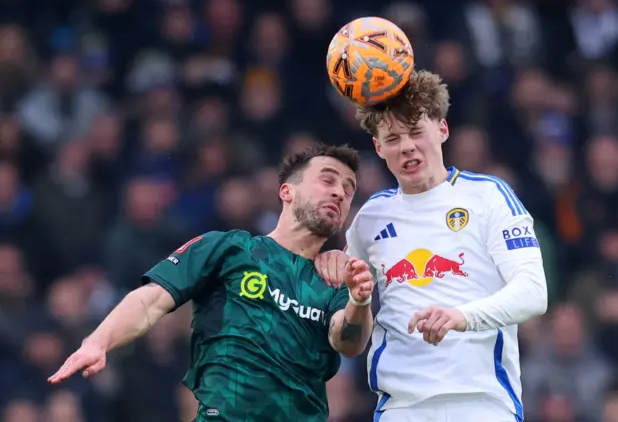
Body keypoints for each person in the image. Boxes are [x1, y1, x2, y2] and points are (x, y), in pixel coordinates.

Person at [48, 143, 375, 422]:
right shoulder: (229, 248)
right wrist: (99, 341)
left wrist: (360, 302)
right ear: (286, 191)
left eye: (348, 189)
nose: (339, 192)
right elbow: (151, 300)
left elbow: (348, 341)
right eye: (328, 180)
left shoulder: (335, 279)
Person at [315, 71, 548, 422]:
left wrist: (461, 316)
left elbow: (533, 292)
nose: (406, 146)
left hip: (481, 402)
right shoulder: (369, 218)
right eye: (392, 138)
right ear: (378, 148)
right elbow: (351, 316)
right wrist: (343, 277)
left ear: (442, 129)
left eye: (416, 131)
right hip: (401, 407)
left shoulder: (488, 195)